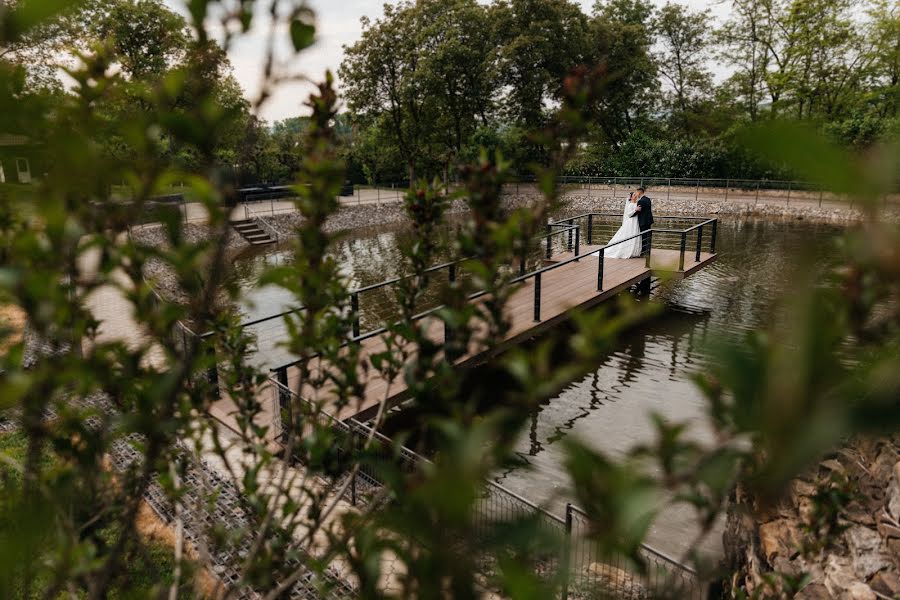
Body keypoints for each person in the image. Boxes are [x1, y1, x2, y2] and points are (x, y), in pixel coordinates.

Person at [604, 191, 642, 259]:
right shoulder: (630, 205)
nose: (635, 196)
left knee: (635, 234)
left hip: (636, 221)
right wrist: (635, 210)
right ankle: (627, 250)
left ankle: (634, 251)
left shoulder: (637, 203)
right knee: (629, 234)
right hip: (631, 221)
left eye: (635, 195)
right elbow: (629, 214)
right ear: (631, 197)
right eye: (634, 195)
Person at [630, 186, 654, 255]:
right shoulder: (648, 199)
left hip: (643, 221)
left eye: (637, 192)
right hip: (648, 221)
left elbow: (638, 212)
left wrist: (631, 215)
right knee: (648, 236)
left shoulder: (641, 201)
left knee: (643, 237)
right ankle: (648, 251)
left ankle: (644, 252)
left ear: (639, 192)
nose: (636, 194)